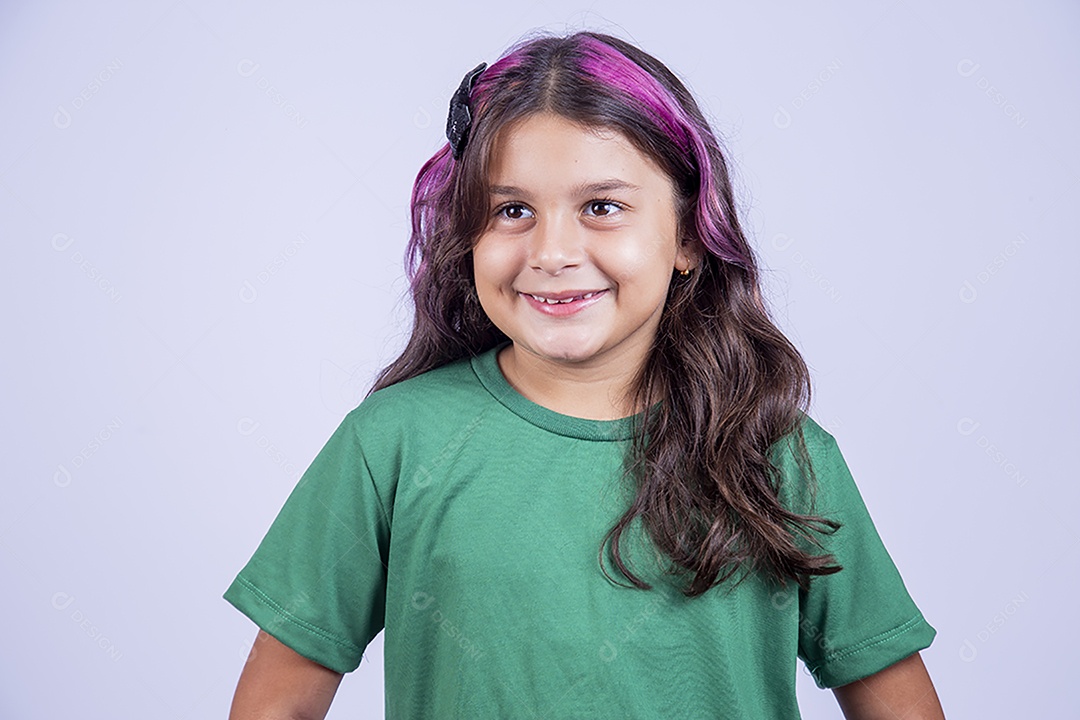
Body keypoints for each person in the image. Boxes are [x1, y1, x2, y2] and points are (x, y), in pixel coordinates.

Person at [224, 29, 944, 720]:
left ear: (689, 234)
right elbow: (277, 700)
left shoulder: (780, 452)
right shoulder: (390, 443)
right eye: (512, 210)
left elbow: (895, 698)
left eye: (601, 207)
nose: (552, 251)